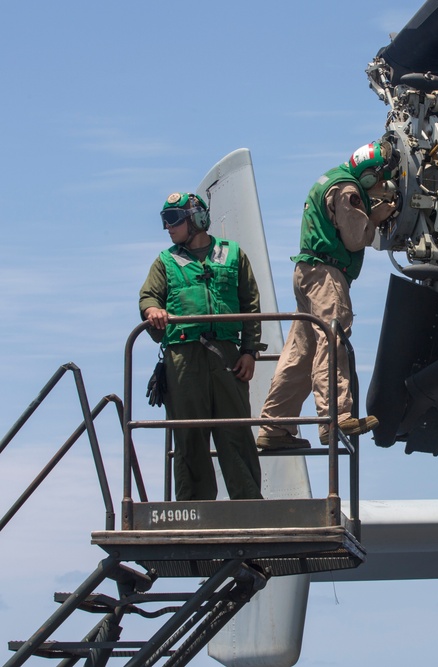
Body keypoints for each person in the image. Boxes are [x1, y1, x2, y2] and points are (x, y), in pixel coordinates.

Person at [256, 139, 398, 450]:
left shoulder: (331, 178)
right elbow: (353, 238)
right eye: (376, 176)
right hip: (326, 276)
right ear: (368, 174)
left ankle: (274, 427)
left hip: (307, 272)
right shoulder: (348, 190)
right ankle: (335, 417)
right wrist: (377, 217)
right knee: (333, 337)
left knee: (301, 352)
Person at [139, 192, 265, 501]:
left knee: (235, 432)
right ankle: (193, 508)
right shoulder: (166, 261)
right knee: (189, 434)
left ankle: (249, 504)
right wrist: (152, 311)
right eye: (165, 221)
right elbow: (148, 296)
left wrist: (249, 351)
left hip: (228, 358)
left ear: (194, 219)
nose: (168, 228)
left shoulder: (233, 255)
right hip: (183, 358)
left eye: (173, 220)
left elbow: (250, 304)